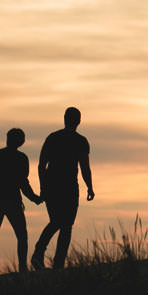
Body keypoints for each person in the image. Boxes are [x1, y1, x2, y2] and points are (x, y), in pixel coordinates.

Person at [31, 107, 94, 270]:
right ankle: (47, 257)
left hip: (54, 185)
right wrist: (90, 187)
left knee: (59, 223)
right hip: (67, 187)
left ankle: (46, 256)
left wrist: (43, 186)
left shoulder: (53, 137)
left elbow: (41, 165)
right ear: (79, 121)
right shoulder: (80, 141)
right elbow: (84, 167)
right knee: (64, 225)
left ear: (65, 119)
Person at [0, 128, 43, 274]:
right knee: (22, 235)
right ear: (21, 142)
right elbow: (23, 182)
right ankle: (22, 268)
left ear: (8, 139)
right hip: (12, 201)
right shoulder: (21, 158)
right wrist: (34, 198)